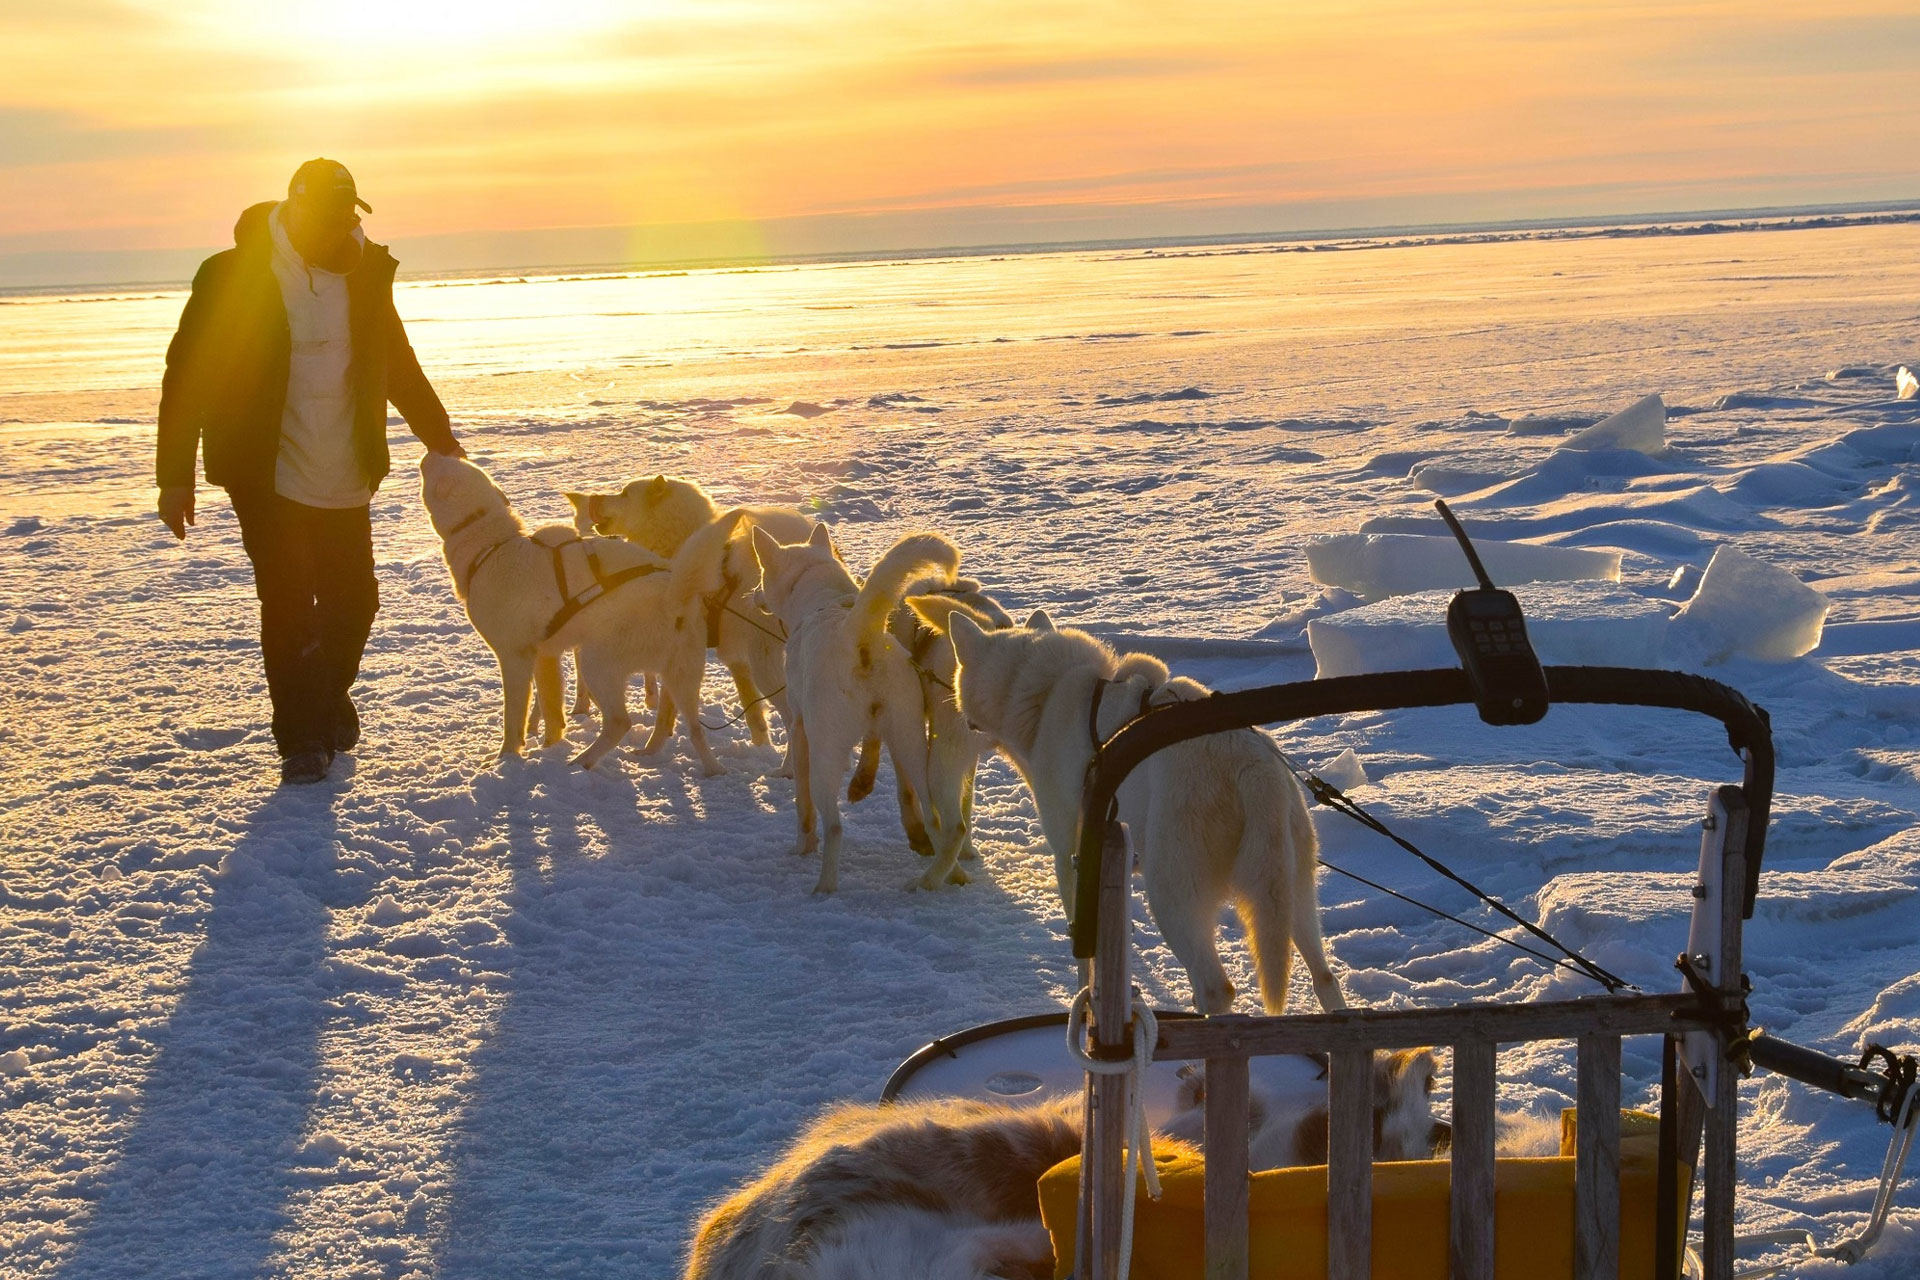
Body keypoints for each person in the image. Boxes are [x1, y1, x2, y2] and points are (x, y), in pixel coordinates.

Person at [155, 158, 464, 785]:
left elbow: (395, 360)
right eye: (326, 218)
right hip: (264, 468)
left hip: (344, 461)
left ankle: (321, 697)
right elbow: (187, 374)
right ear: (293, 213)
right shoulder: (233, 275)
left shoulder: (366, 271)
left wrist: (437, 431)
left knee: (356, 601)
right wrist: (174, 474)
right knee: (290, 602)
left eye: (347, 215)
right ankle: (301, 738)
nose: (339, 230)